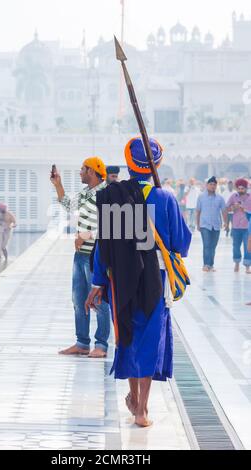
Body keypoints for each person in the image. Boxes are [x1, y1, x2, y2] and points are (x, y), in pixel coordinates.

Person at [85, 137, 191, 427]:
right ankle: (142, 408)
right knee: (150, 337)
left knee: (127, 334)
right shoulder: (165, 196)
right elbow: (181, 243)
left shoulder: (111, 195)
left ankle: (132, 398)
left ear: (129, 164)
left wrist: (97, 283)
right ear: (156, 164)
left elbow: (103, 245)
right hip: (154, 278)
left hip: (122, 278)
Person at [50, 157, 111, 358]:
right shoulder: (85, 193)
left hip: (96, 255)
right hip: (80, 255)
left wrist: (86, 235)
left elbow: (113, 224)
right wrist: (58, 184)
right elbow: (68, 204)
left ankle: (101, 345)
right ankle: (82, 343)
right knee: (78, 299)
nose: (80, 173)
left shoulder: (106, 194)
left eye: (82, 169)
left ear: (92, 172)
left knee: (99, 301)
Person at [196, 176, 227, 272]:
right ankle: (205, 264)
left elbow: (224, 211)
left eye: (214, 184)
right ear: (207, 185)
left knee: (213, 246)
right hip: (205, 225)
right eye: (211, 184)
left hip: (216, 225)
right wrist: (198, 224)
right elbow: (198, 211)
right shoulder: (201, 197)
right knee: (206, 245)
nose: (213, 186)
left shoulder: (220, 198)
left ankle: (211, 265)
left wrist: (226, 222)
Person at [226, 179, 251, 273]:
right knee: (236, 246)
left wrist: (245, 210)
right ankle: (237, 263)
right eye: (239, 188)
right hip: (236, 226)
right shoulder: (233, 196)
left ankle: (247, 266)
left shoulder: (250, 197)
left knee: (248, 246)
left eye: (242, 188)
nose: (240, 190)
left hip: (247, 227)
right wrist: (233, 207)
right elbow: (227, 208)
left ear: (246, 188)